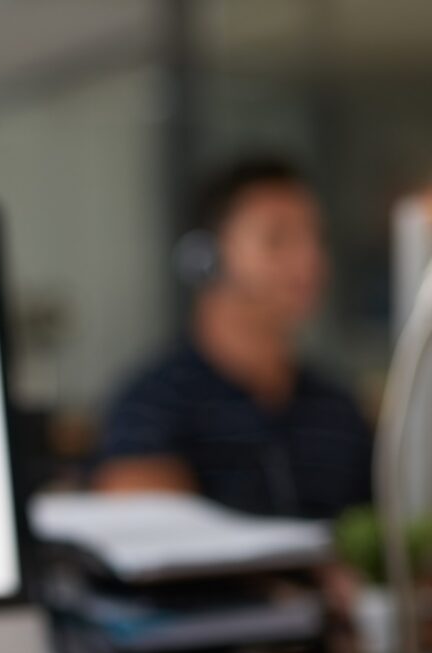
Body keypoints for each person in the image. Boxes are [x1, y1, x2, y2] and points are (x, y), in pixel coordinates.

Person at [92, 156, 372, 519]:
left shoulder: (336, 411)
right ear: (206, 259)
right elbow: (142, 530)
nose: (310, 260)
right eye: (277, 239)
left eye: (316, 238)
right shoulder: (152, 406)